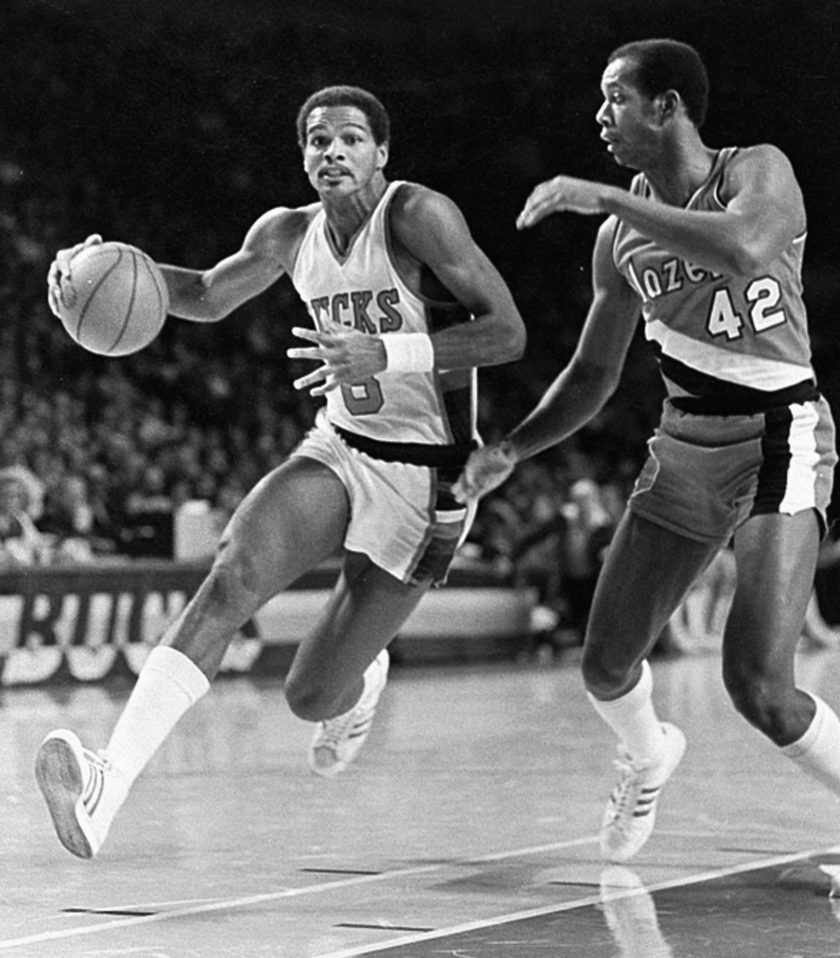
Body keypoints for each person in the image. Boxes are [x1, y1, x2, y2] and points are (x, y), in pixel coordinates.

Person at [35, 84, 526, 859]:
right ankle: (106, 782)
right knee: (231, 574)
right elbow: (198, 293)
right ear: (302, 156)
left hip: (429, 478)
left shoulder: (419, 216)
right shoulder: (286, 232)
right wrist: (99, 269)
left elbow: (508, 333)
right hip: (341, 448)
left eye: (351, 139)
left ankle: (359, 681)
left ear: (382, 152)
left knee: (310, 696)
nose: (333, 152)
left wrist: (389, 352)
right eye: (318, 140)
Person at [455, 38, 839, 862]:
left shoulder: (754, 170)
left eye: (615, 99)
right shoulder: (618, 243)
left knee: (760, 687)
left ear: (667, 107)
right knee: (603, 665)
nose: (600, 117)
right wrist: (512, 450)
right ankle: (647, 752)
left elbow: (742, 245)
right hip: (686, 446)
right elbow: (594, 374)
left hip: (780, 433)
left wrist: (606, 200)